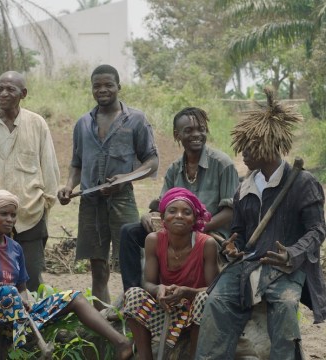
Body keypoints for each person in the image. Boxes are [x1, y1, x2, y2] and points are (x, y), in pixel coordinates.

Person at [195, 89, 326, 359]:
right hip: (248, 265)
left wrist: (292, 253)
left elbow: (317, 230)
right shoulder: (244, 187)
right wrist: (233, 246)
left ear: (269, 145)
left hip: (286, 269)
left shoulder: (303, 183)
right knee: (217, 302)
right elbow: (240, 232)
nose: (242, 153)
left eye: (249, 147)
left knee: (285, 305)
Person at [0, 189, 133, 360]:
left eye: (13, 215)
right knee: (6, 294)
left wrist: (23, 301)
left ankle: (121, 343)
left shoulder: (15, 248)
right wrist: (6, 299)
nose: (10, 219)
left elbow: (22, 289)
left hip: (17, 315)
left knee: (74, 297)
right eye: (3, 214)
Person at [57, 64, 159, 309]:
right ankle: (102, 319)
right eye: (97, 86)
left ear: (118, 87)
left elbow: (152, 161)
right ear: (92, 89)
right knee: (98, 266)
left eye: (108, 85)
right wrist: (68, 187)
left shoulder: (135, 119)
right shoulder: (83, 123)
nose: (102, 90)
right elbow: (77, 163)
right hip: (90, 203)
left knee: (131, 262)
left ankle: (133, 315)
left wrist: (124, 179)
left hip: (122, 200)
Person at [120, 107, 239, 291]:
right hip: (177, 232)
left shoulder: (223, 164)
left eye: (201, 129)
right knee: (129, 231)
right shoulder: (175, 169)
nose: (197, 134)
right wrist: (149, 215)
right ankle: (132, 292)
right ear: (177, 135)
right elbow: (163, 206)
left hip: (211, 234)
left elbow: (230, 212)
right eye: (189, 131)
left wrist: (197, 227)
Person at [0, 71, 60, 292]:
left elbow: (50, 171)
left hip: (28, 216)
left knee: (31, 280)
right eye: (0, 89)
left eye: (10, 89)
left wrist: (43, 206)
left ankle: (32, 324)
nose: (3, 94)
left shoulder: (37, 124)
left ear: (23, 94)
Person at [124, 187, 219, 360]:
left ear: (195, 219)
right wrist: (159, 289)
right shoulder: (153, 240)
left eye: (186, 212)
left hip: (196, 317)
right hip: (167, 312)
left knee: (204, 299)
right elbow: (148, 283)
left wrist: (188, 292)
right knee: (133, 294)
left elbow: (215, 289)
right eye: (172, 211)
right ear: (163, 218)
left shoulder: (207, 244)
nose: (179, 216)